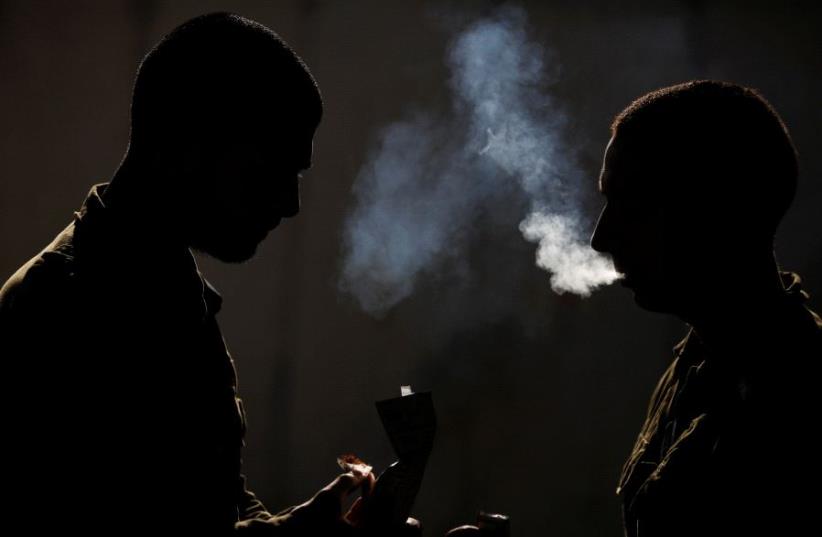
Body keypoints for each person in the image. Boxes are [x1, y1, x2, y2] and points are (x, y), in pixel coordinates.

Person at [0, 12, 407, 535]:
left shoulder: (171, 294)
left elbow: (213, 499)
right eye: (272, 170)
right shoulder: (60, 307)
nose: (289, 204)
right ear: (186, 143)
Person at [590, 80, 821, 536]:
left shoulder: (797, 401)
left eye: (632, 205)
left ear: (715, 209)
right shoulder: (696, 363)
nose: (601, 238)